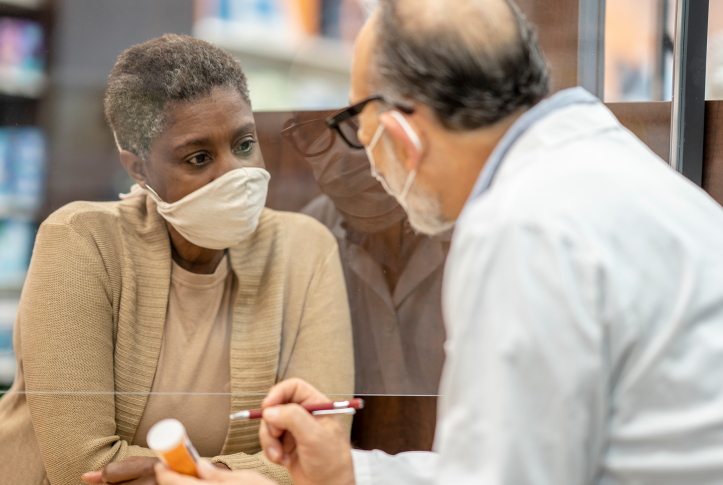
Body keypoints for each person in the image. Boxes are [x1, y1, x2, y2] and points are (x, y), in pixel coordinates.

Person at [157, 0, 723, 484]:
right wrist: (350, 472)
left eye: (358, 127)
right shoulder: (598, 170)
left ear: (403, 134)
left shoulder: (521, 225)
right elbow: (502, 462)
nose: (369, 161)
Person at [0, 34, 354, 485]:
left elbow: (322, 454)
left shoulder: (307, 248)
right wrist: (246, 476)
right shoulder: (81, 241)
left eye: (244, 144)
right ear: (140, 169)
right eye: (199, 157)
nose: (236, 174)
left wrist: (168, 473)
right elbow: (79, 467)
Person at [283, 111, 449, 396]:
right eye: (313, 134)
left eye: (355, 123)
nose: (339, 152)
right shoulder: (311, 234)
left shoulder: (466, 222)